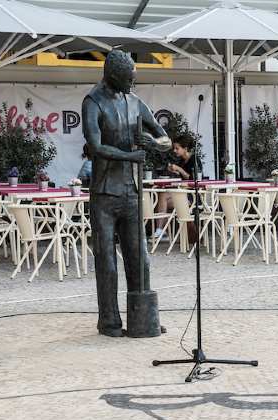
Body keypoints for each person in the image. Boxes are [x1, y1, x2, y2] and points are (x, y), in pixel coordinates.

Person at [82, 49, 171, 338]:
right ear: (113, 76)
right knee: (106, 261)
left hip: (131, 192)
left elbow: (166, 139)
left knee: (140, 258)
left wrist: (156, 145)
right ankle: (109, 321)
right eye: (129, 79)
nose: (133, 84)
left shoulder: (135, 102)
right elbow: (95, 147)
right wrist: (130, 157)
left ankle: (142, 317)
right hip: (104, 193)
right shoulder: (93, 102)